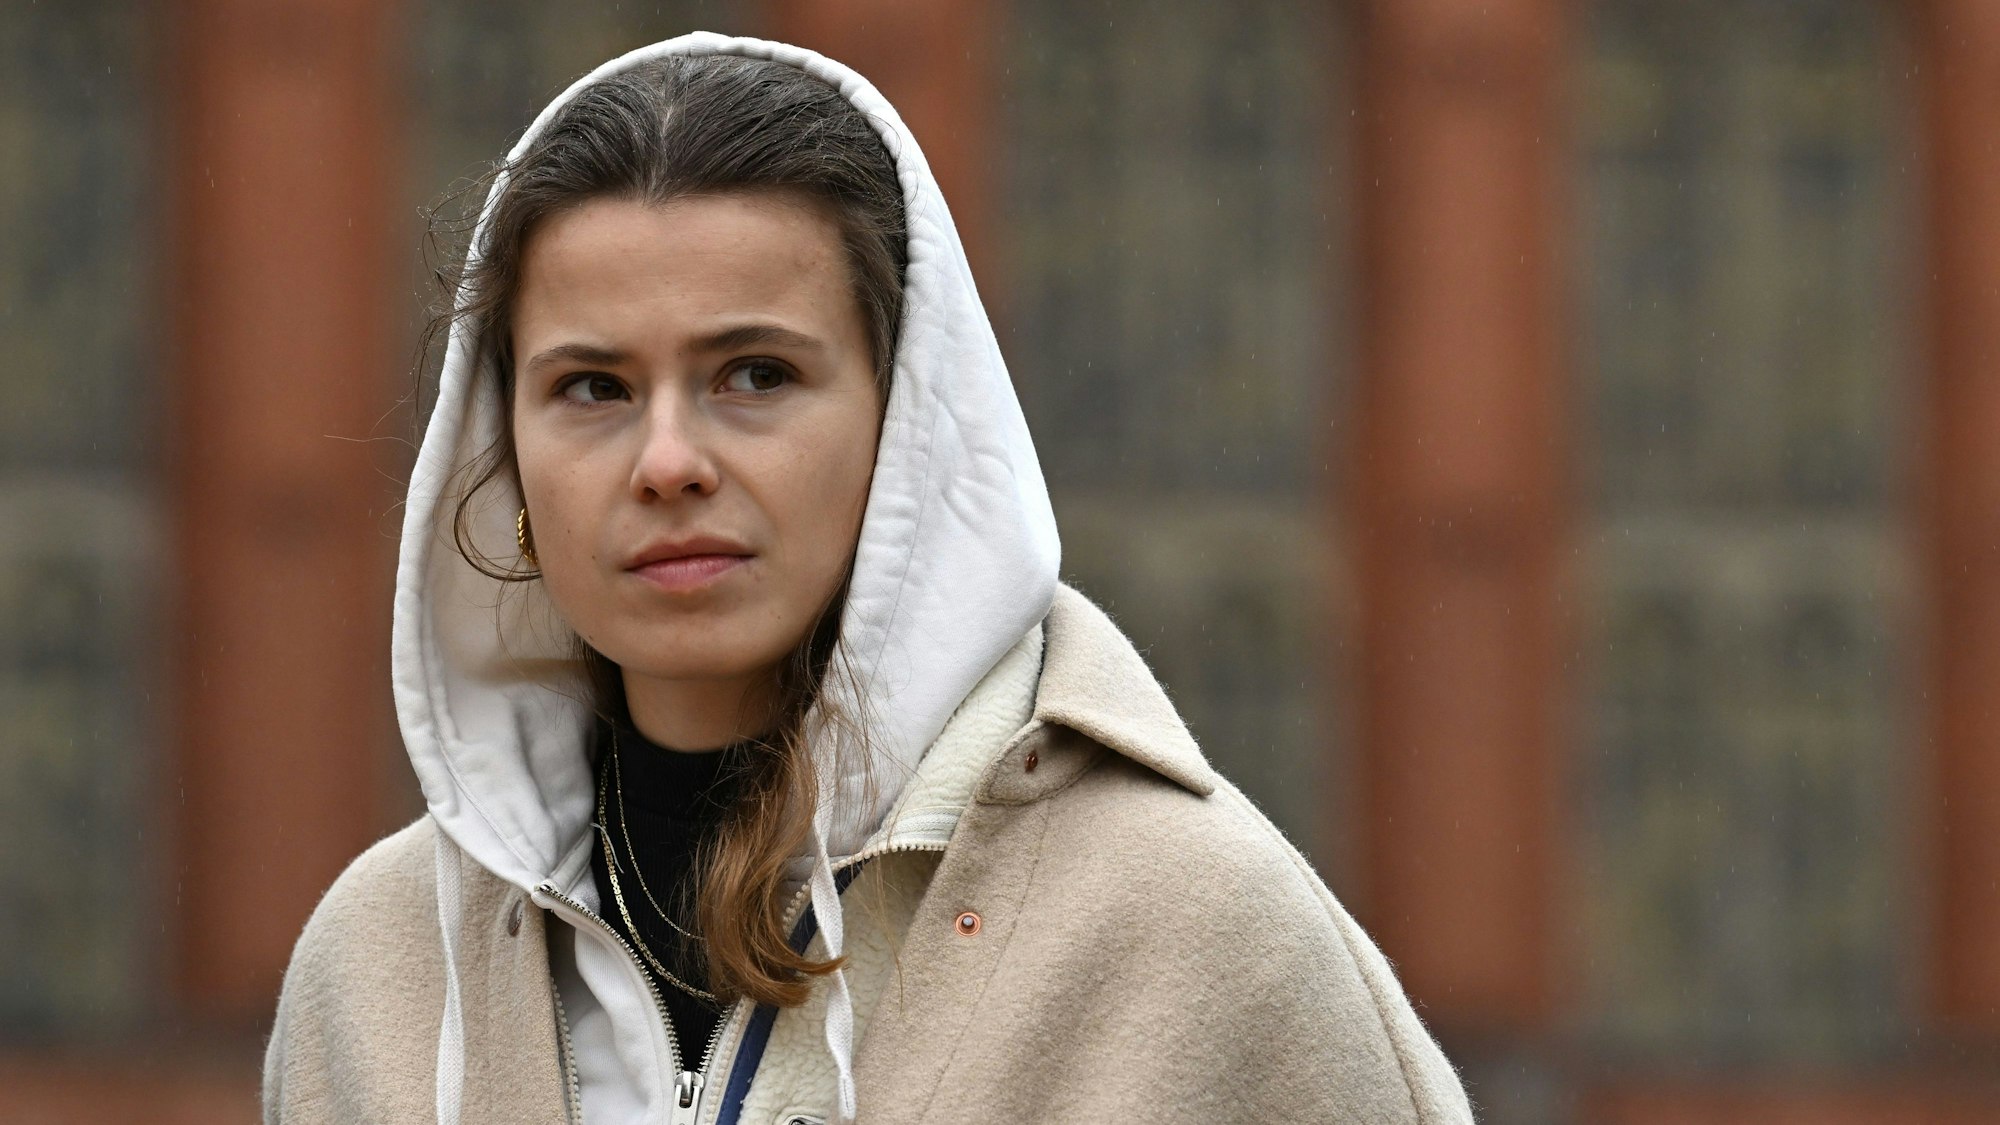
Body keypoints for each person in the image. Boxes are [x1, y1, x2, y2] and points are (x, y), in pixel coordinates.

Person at [262, 32, 1472, 1125]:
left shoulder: (1182, 930)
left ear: (908, 425)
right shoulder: (380, 970)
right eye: (593, 388)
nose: (668, 461)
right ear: (504, 453)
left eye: (755, 375)